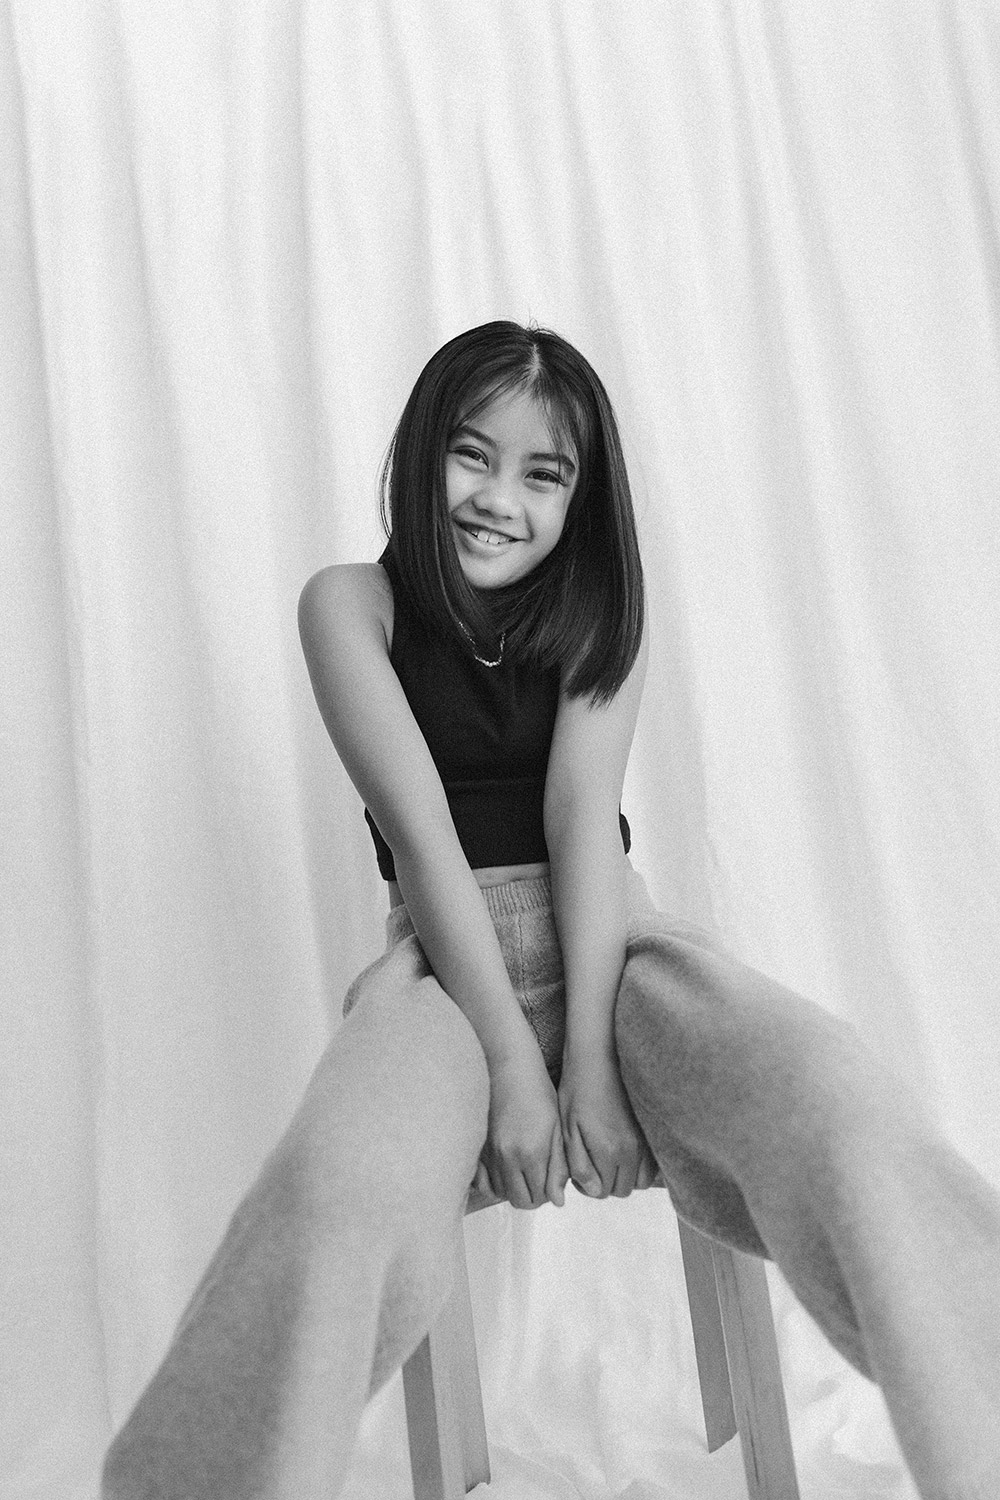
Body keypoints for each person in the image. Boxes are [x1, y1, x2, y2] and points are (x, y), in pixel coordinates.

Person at [103, 322, 1000, 1500]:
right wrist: (510, 1068)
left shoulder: (598, 609)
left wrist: (588, 1058)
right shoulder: (349, 605)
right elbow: (421, 836)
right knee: (337, 1182)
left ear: (580, 497)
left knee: (834, 1093)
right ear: (421, 450)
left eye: (543, 473)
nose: (498, 499)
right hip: (444, 969)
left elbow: (582, 820)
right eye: (471, 455)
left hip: (614, 948)